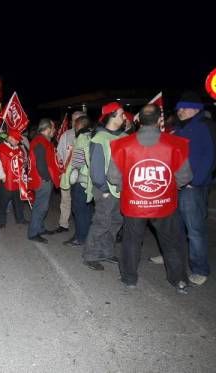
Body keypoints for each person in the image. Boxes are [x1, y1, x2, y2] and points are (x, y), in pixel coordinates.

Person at [107, 104, 191, 292]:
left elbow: (112, 177)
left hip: (133, 204)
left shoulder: (121, 145)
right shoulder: (176, 144)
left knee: (131, 241)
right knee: (171, 242)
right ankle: (179, 280)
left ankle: (129, 278)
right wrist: (170, 187)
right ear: (159, 120)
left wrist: (127, 188)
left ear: (137, 120)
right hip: (165, 205)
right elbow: (186, 177)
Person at [169, 92, 215, 286]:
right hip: (175, 185)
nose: (180, 111)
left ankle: (200, 268)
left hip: (191, 188)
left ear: (195, 108)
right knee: (174, 226)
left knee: (194, 230)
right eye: (178, 108)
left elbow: (210, 157)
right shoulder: (179, 128)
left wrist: (195, 181)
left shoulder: (204, 127)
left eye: (184, 108)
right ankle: (172, 258)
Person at [81, 102, 126, 271]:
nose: (124, 117)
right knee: (102, 222)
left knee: (115, 222)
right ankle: (90, 255)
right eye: (121, 114)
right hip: (105, 189)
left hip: (120, 189)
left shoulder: (122, 137)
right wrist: (104, 190)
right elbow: (96, 169)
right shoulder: (99, 138)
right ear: (112, 115)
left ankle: (106, 251)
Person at [61, 115, 94, 247]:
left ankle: (80, 237)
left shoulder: (81, 139)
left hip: (81, 181)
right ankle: (85, 234)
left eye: (75, 125)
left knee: (79, 211)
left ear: (79, 126)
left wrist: (70, 175)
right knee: (87, 210)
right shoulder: (92, 136)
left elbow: (77, 162)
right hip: (90, 182)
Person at [28, 118, 61, 243]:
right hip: (42, 180)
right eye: (53, 128)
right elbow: (40, 164)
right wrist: (47, 178)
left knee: (43, 206)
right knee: (40, 207)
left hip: (43, 179)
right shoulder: (40, 141)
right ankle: (33, 232)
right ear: (47, 129)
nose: (54, 131)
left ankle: (40, 228)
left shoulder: (42, 140)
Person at [56, 111, 85, 233]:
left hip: (82, 175)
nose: (75, 122)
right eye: (73, 120)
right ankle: (63, 224)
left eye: (77, 119)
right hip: (67, 174)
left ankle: (82, 226)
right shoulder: (66, 135)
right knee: (65, 199)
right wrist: (61, 169)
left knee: (81, 203)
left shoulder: (88, 135)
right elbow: (59, 154)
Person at [0, 131, 29, 228]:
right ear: (10, 138)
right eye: (16, 139)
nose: (18, 142)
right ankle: (1, 221)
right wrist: (2, 177)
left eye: (18, 140)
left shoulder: (20, 149)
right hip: (7, 182)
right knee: (3, 203)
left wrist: (25, 163)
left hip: (18, 182)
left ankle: (20, 219)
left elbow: (23, 161)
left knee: (19, 202)